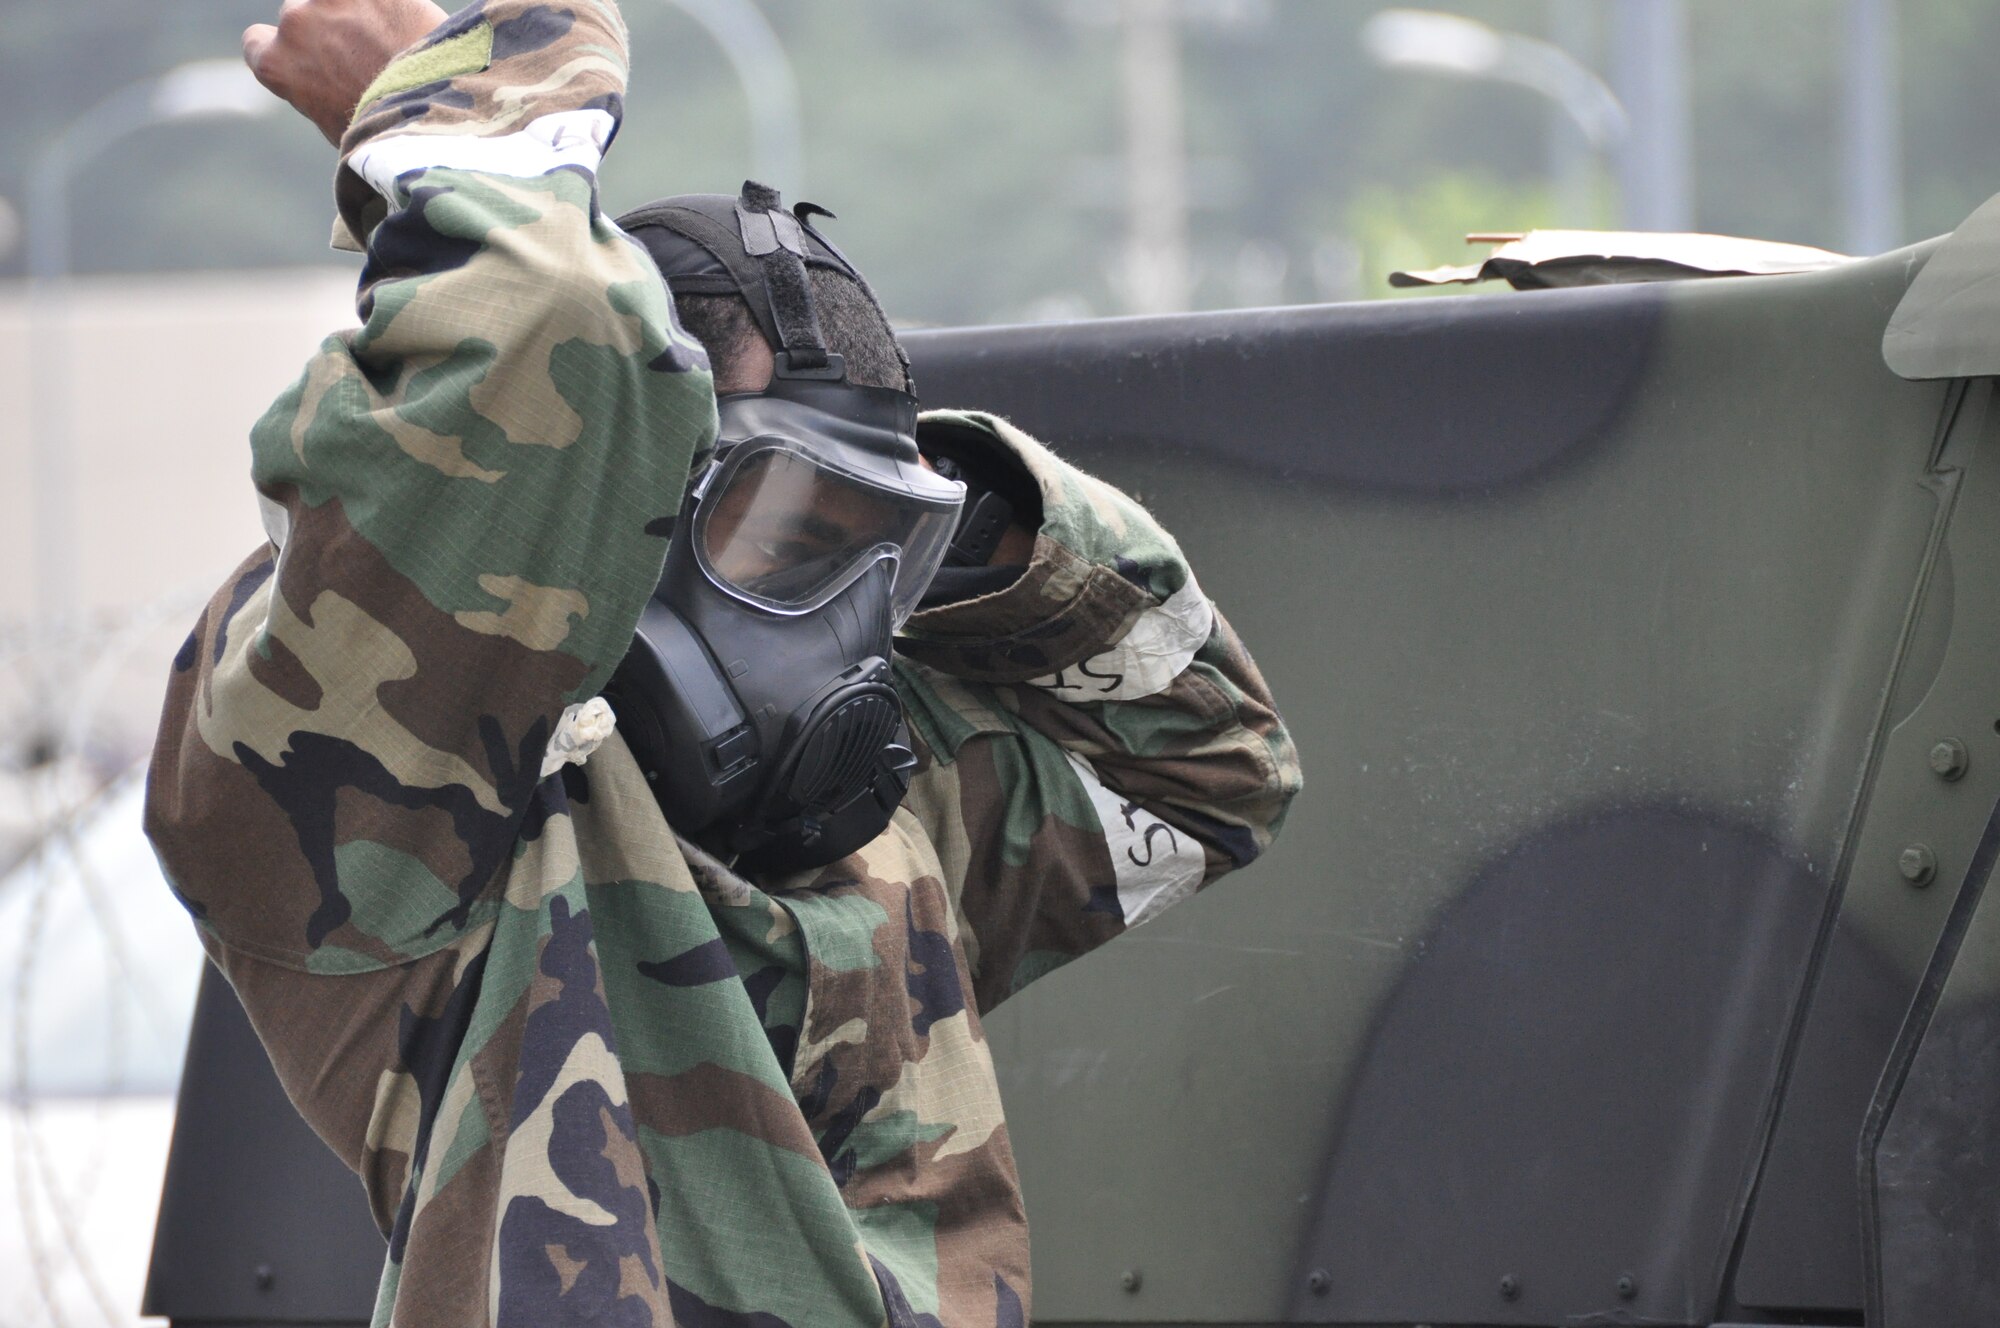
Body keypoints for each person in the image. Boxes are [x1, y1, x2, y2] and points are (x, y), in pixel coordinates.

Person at [144, 0, 1301, 1324]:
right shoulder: (417, 847)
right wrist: (454, 97)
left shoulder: (895, 846)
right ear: (625, 503)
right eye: (792, 532)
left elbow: (1215, 769)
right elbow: (548, 325)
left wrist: (986, 524)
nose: (842, 623)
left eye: (889, 550)